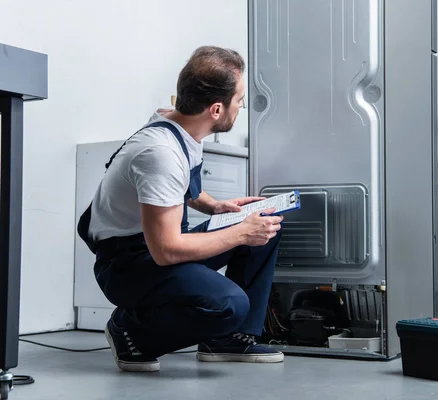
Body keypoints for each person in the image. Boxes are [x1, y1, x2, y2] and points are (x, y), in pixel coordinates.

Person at [77, 46, 284, 372]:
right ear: (216, 109)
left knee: (263, 224)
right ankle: (131, 333)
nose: (241, 105)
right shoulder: (160, 153)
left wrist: (215, 206)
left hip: (155, 245)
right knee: (229, 303)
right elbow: (167, 250)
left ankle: (227, 340)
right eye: (239, 100)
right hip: (128, 263)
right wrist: (240, 232)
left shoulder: (185, 127)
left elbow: (180, 186)